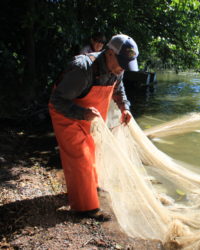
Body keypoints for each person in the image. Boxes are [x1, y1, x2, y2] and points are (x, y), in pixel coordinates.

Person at [49, 34, 139, 221]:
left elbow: (118, 89)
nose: (122, 68)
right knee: (80, 157)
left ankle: (90, 186)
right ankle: (86, 210)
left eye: (126, 64)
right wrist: (83, 114)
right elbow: (57, 100)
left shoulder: (118, 69)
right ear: (110, 53)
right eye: (121, 62)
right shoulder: (83, 68)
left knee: (93, 152)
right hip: (66, 114)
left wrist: (125, 108)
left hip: (90, 117)